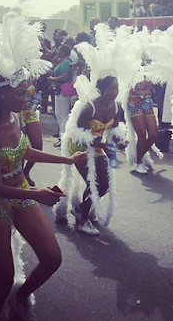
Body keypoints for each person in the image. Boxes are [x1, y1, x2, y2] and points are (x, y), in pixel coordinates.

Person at [0, 70, 85, 321]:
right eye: (21, 92)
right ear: (1, 94)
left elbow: (25, 151)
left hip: (23, 193)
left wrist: (67, 160)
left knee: (52, 258)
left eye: (29, 90)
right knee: (4, 277)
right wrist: (37, 194)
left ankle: (21, 296)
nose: (28, 96)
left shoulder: (15, 117)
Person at [69, 76, 126, 235]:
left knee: (105, 184)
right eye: (111, 88)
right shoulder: (90, 108)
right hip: (80, 147)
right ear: (102, 88)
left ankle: (81, 209)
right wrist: (101, 144)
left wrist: (119, 142)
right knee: (94, 183)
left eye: (117, 88)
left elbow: (113, 131)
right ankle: (82, 221)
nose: (115, 92)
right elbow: (78, 132)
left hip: (98, 146)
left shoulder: (116, 107)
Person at [127, 79, 158, 174]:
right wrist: (141, 92)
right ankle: (139, 163)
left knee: (153, 135)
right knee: (142, 135)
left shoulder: (150, 67)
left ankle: (138, 157)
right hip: (134, 101)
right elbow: (126, 87)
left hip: (147, 101)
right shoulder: (132, 67)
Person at [47, 44, 73, 147]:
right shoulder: (63, 61)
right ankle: (62, 138)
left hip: (63, 91)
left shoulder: (66, 62)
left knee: (63, 115)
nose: (57, 52)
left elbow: (64, 77)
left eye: (59, 50)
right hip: (59, 91)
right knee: (59, 114)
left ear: (63, 52)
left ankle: (64, 139)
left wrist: (52, 79)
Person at [20, 77, 43, 186]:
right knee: (20, 148)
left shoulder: (31, 74)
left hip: (31, 112)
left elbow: (37, 93)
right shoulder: (13, 72)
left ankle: (26, 172)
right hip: (18, 112)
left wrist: (37, 99)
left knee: (38, 146)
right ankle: (19, 177)